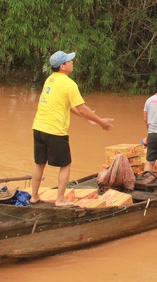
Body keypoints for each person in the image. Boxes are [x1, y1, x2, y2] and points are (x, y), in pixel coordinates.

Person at [30, 50, 114, 206]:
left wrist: (87, 119)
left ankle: (34, 196)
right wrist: (101, 122)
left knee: (39, 163)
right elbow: (82, 108)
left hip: (38, 127)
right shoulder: (69, 84)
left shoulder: (50, 80)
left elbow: (67, 105)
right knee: (65, 164)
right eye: (69, 61)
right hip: (54, 130)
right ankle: (60, 199)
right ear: (62, 66)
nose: (72, 62)